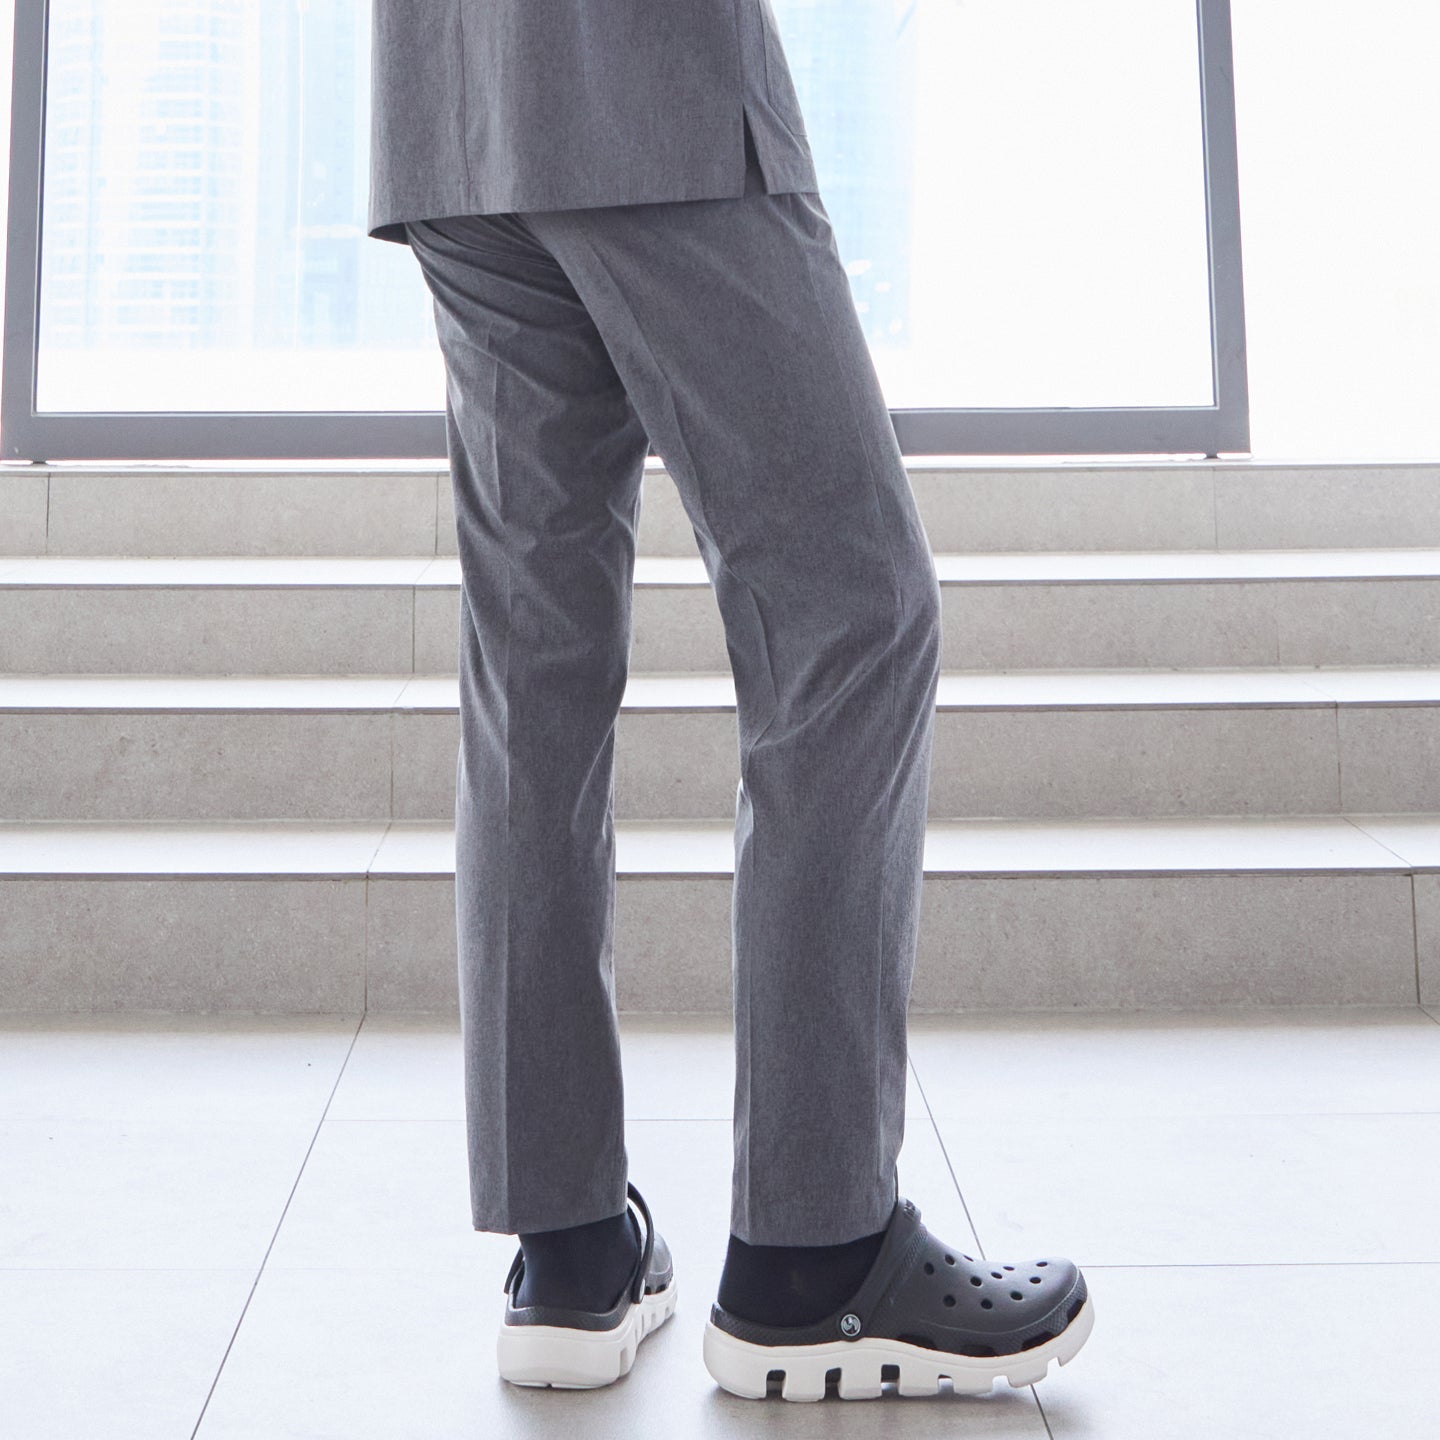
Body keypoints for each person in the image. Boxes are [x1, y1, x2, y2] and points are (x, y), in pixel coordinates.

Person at [366, 0, 1094, 1399]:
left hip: (447, 110)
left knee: (533, 670)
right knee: (854, 612)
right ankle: (817, 1263)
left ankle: (567, 1254)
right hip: (646, 85)